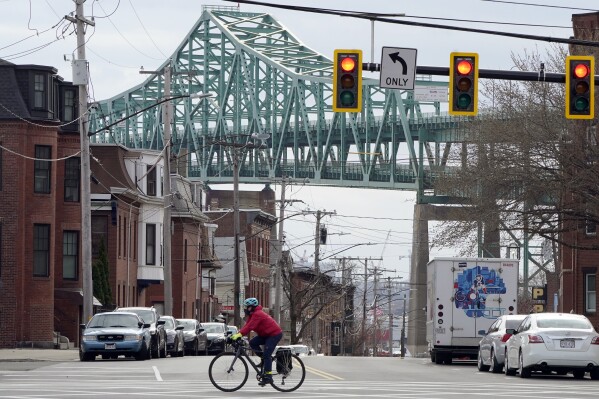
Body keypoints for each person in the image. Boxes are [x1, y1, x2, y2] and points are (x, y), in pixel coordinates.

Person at [230, 297, 283, 386]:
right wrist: (238, 334)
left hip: (274, 334)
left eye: (247, 307)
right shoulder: (253, 315)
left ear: (252, 307)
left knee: (267, 355)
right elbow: (247, 326)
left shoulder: (258, 314)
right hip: (266, 334)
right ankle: (264, 360)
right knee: (252, 342)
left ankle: (268, 377)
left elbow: (250, 327)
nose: (246, 309)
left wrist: (239, 335)